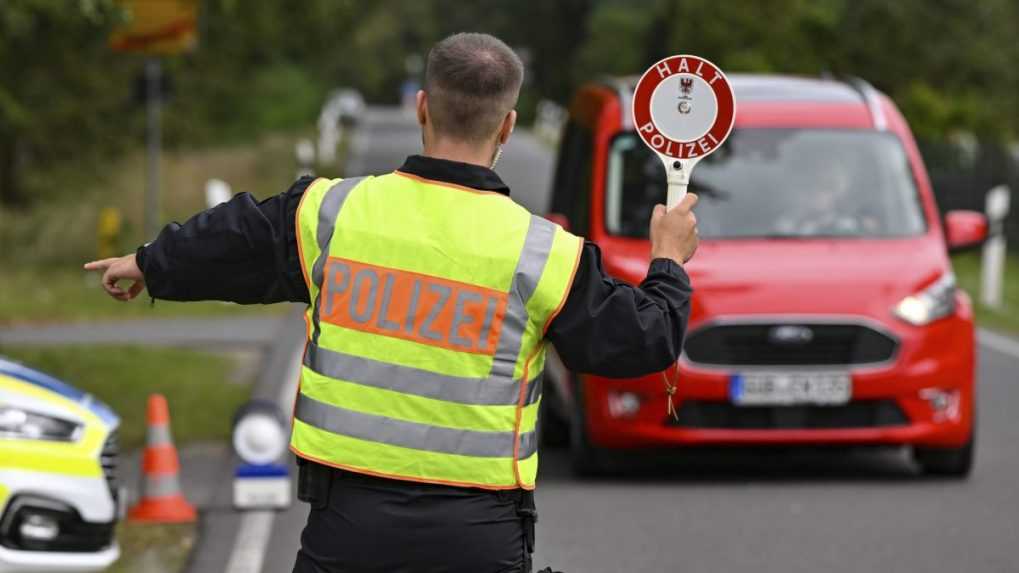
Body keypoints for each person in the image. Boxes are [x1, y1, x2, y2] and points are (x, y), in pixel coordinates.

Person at [85, 33, 699, 573]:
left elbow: (236, 237)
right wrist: (667, 260)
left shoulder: (332, 212)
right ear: (508, 126)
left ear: (422, 108)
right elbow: (643, 341)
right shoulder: (545, 254)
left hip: (347, 526)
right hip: (478, 536)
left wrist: (147, 262)